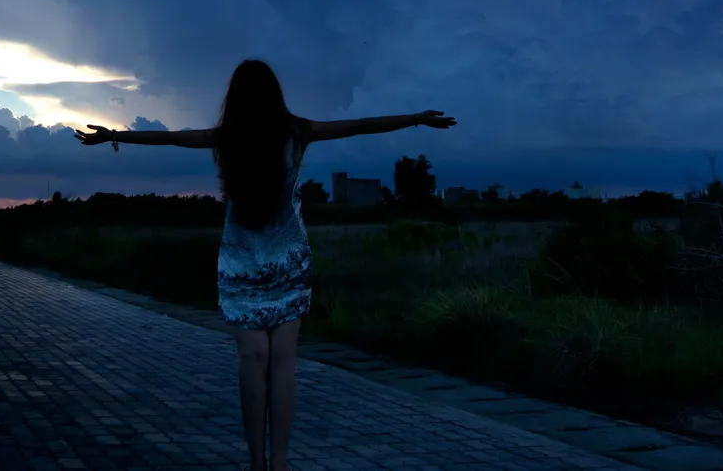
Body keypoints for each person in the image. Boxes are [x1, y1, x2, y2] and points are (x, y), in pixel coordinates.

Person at [75, 59, 457, 471]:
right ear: (274, 95)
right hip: (263, 262)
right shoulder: (276, 134)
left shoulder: (261, 134)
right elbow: (360, 125)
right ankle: (270, 463)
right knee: (272, 361)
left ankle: (268, 463)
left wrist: (114, 135)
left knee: (261, 359)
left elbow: (171, 139)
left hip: (266, 263)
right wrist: (416, 119)